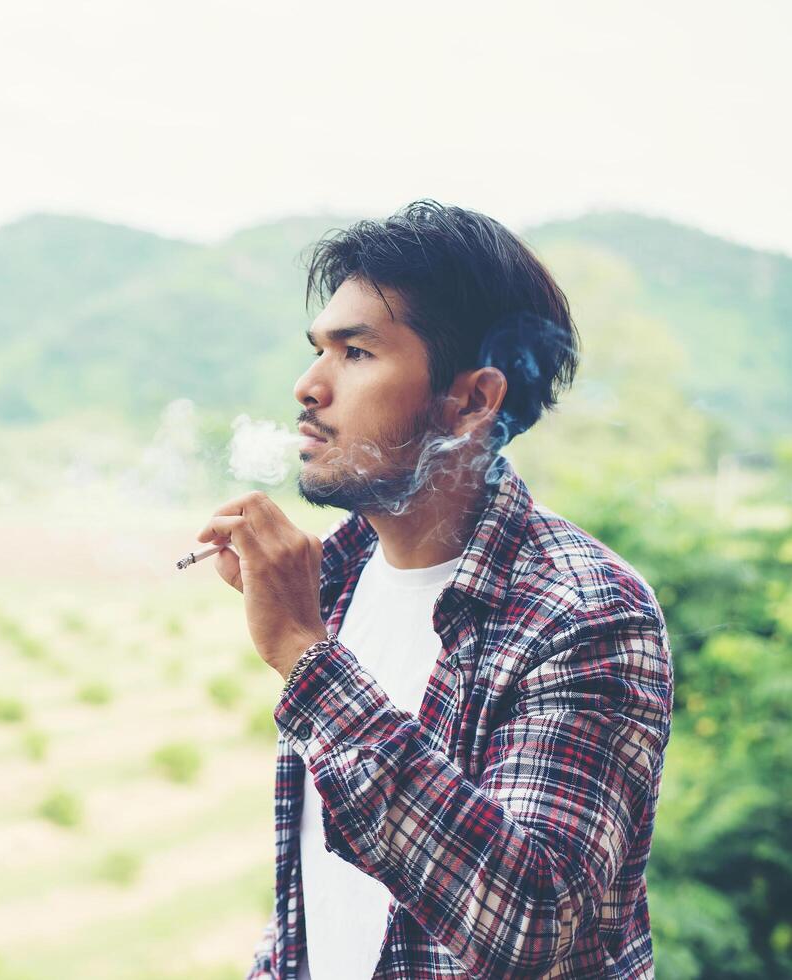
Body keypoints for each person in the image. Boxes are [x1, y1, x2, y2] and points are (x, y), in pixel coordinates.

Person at [195, 201, 673, 979]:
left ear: (473, 400)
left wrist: (304, 656)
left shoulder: (585, 612)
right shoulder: (339, 580)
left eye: (355, 354)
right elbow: (322, 902)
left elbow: (529, 921)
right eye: (318, 349)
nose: (307, 386)